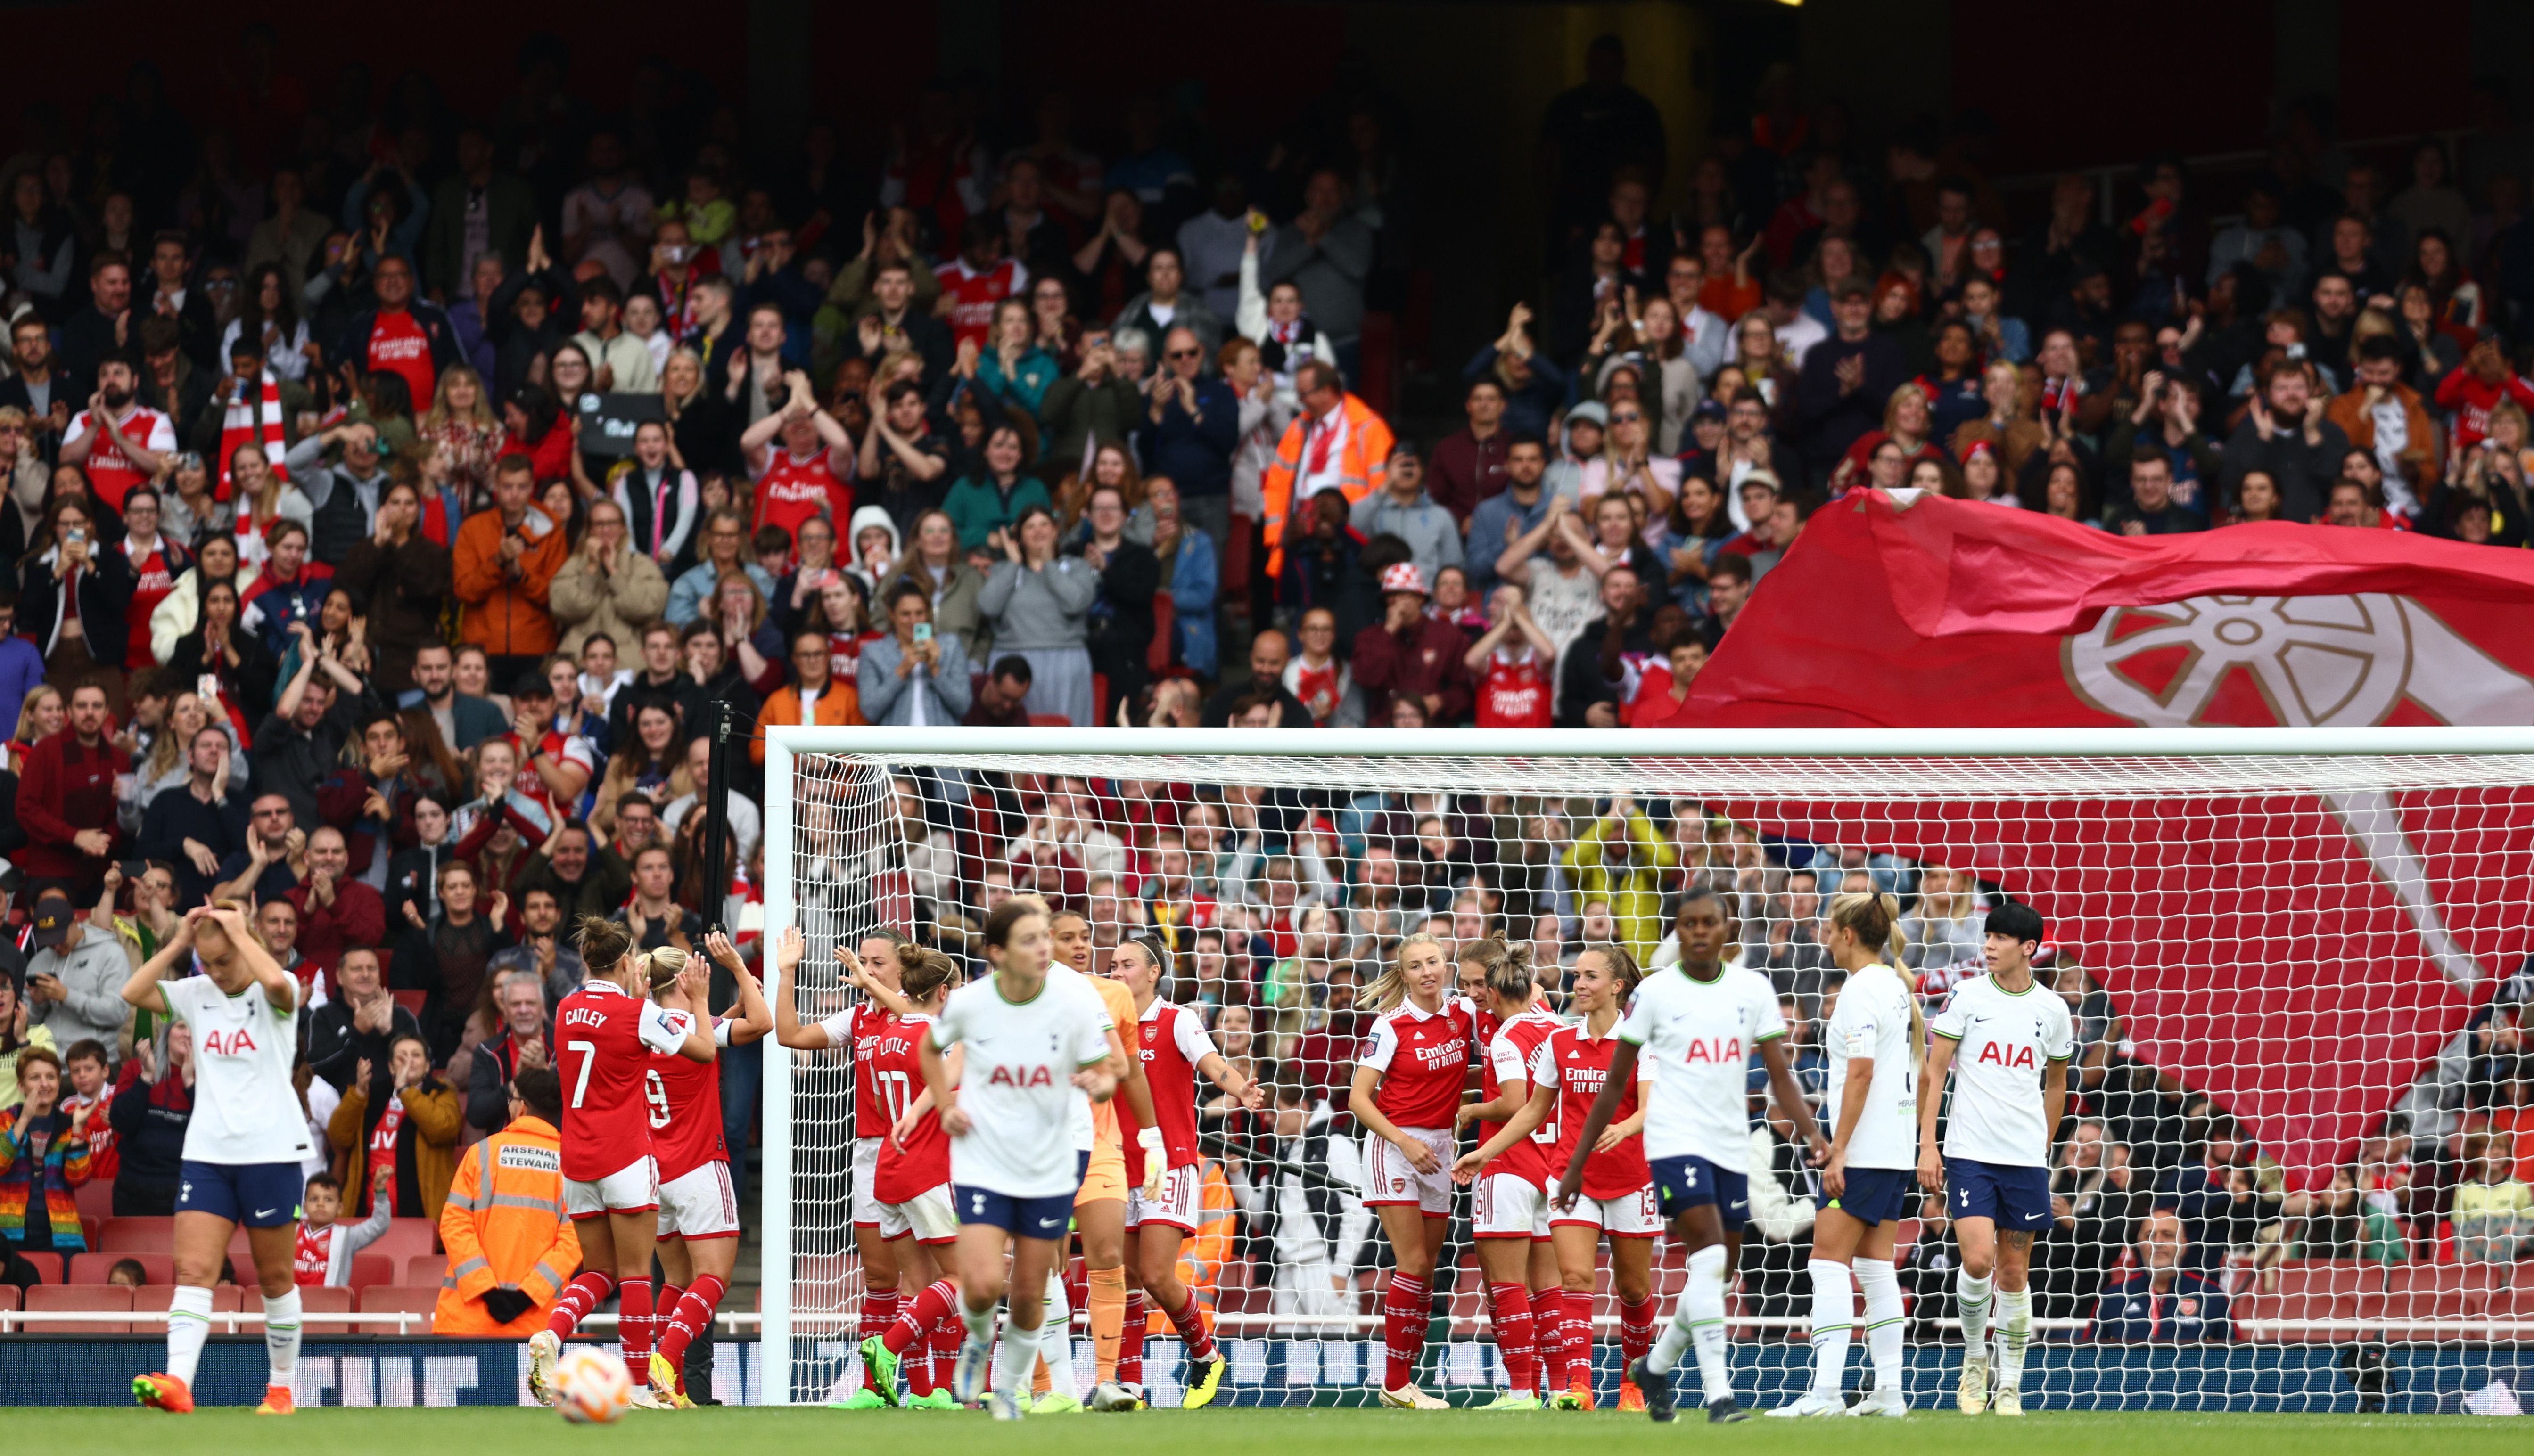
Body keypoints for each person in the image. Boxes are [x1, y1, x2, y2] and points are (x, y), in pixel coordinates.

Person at [1566, 886, 1826, 1424]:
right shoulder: (1657, 994)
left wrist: (1814, 1136)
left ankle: (1656, 1367)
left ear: (1729, 928)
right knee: (1707, 1259)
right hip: (1673, 1141)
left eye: (1711, 922)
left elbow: (1780, 1075)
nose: (1701, 932)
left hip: (1730, 1144)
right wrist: (1576, 1164)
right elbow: (1616, 1084)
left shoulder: (1753, 990)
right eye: (1689, 923)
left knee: (1722, 1271)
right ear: (1678, 931)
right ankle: (1718, 1395)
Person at [915, 899, 1118, 1421]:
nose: (1044, 948)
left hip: (1049, 1161)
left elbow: (1109, 1067)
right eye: (1030, 940)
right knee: (982, 1284)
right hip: (983, 1157)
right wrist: (944, 1105)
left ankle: (1010, 1389)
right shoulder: (971, 1003)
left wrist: (1099, 1082)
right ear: (998, 953)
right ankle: (980, 1341)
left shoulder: (1073, 1002)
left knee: (1031, 1290)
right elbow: (929, 1049)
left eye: (1044, 938)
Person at [123, 901, 315, 1416]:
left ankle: (281, 1389)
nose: (214, 971)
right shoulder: (197, 992)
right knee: (192, 1270)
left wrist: (241, 934)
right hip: (207, 1153)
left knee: (275, 1280)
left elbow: (275, 983)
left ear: (244, 944)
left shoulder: (280, 992)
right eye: (206, 962)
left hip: (272, 1154)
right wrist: (181, 943)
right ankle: (179, 1383)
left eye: (223, 960)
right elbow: (133, 993)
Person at [526, 916, 718, 1410]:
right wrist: (698, 1001)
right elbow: (701, 1051)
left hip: (577, 1158)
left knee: (598, 1270)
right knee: (635, 1273)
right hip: (626, 1156)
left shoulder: (566, 1008)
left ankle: (552, 1334)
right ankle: (636, 1386)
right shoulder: (636, 1013)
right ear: (627, 961)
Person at [1917, 900, 2073, 1417]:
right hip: (1970, 1154)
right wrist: (1928, 1143)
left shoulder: (2052, 1009)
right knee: (1978, 1259)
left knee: (2013, 1272)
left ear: (2027, 948)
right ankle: (1974, 1360)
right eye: (1987, 935)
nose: (1988, 945)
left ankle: (2010, 1385)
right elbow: (1935, 1072)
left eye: (2000, 938)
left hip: (2023, 1160)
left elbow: (2057, 1082)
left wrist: (2042, 1144)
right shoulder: (1965, 996)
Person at [1767, 893, 1919, 1418]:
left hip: (1867, 1150)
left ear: (1848, 935)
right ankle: (1889, 1394)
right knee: (1876, 1270)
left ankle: (1826, 1394)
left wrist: (1840, 1151)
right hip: (1895, 1147)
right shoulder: (1896, 986)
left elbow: (1860, 1072)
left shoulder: (1859, 991)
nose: (1824, 938)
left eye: (1829, 930)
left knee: (1826, 1263)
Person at [1111, 933, 1260, 1410]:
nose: (1116, 972)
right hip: (1118, 1163)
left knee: (1156, 1274)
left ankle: (1205, 1354)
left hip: (1170, 1163)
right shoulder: (1105, 1027)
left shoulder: (1178, 1019)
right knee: (1127, 1280)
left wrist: (1241, 1089)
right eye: (1112, 964)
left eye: (1127, 964)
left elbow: (1213, 1064)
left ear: (1154, 973)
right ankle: (1130, 1386)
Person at [1346, 932, 1480, 1409]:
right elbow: (1358, 1098)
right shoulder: (1390, 1026)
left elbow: (1466, 1072)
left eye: (1434, 962)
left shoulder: (1465, 1014)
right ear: (1404, 975)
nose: (1428, 972)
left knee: (1427, 1273)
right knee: (1414, 1264)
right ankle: (1396, 1383)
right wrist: (1404, 1141)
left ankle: (1406, 1378)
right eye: (1417, 966)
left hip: (1442, 1149)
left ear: (1446, 965)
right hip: (1395, 1146)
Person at [642, 931, 775, 1406]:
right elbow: (763, 1024)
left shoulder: (645, 1028)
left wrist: (731, 1006)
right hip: (699, 1164)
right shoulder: (691, 1026)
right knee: (715, 1277)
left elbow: (714, 1029)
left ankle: (668, 1389)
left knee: (675, 1279)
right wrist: (739, 968)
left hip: (656, 1173)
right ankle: (667, 1359)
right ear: (685, 978)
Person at [1438, 940, 1562, 1409]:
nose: (1471, 992)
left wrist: (1469, 1111)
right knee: (1547, 1287)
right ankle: (1564, 1389)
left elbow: (1513, 1099)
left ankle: (1521, 1391)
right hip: (1550, 1164)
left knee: (1504, 1283)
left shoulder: (1510, 1029)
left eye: (1478, 983)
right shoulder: (1551, 1021)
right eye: (1464, 983)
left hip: (1506, 1160)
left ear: (1497, 982)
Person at [844, 944, 968, 1409]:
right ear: (943, 991)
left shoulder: (886, 1035)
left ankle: (923, 1393)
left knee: (915, 1288)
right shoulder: (942, 1041)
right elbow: (952, 1102)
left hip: (887, 1173)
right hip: (928, 1169)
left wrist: (868, 980)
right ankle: (888, 1344)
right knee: (965, 1278)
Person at [431, 1063, 582, 1336]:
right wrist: (527, 1296)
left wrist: (487, 1291)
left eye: (511, 1099)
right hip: (541, 1325)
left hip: (470, 1320)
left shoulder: (481, 1154)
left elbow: (454, 1226)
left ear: (521, 1106)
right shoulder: (571, 1165)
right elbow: (575, 1240)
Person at [453, 454, 570, 678]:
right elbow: (464, 591)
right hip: (483, 648)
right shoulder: (473, 528)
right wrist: (497, 563)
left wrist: (520, 576)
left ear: (532, 488)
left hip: (535, 646)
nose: (515, 494)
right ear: (496, 486)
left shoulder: (551, 531)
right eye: (507, 487)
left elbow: (556, 596)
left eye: (522, 487)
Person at [979, 506, 1096, 726]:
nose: (1038, 531)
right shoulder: (1004, 570)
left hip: (1065, 662)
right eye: (1030, 527)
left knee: (1066, 740)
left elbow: (1076, 603)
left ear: (1055, 531)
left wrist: (1049, 565)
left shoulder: (1076, 567)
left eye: (1044, 525)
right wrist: (1013, 564)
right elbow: (989, 607)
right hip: (1012, 665)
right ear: (1019, 537)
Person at [325, 1032, 460, 1221]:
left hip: (422, 1218)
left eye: (416, 1055)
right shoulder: (372, 1096)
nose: (409, 1061)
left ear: (428, 1065)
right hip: (366, 1218)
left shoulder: (441, 1093)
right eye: (402, 1056)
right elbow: (339, 1137)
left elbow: (443, 1129)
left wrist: (405, 1090)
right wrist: (358, 1093)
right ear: (391, 1066)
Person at [0, 1043, 96, 1256]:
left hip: (61, 1232)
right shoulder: (5, 1120)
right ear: (21, 1086)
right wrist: (24, 1119)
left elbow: (78, 1178)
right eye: (35, 1078)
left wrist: (79, 1130)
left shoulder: (72, 1123)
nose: (44, 1084)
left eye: (51, 1077)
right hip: (8, 1232)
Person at [2086, 1207, 2232, 1342]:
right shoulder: (2113, 1298)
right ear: (2139, 1245)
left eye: (2167, 1235)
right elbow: (2088, 1360)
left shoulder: (2211, 1296)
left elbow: (2236, 1359)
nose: (2157, 1242)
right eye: (2150, 1236)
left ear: (2184, 1247)